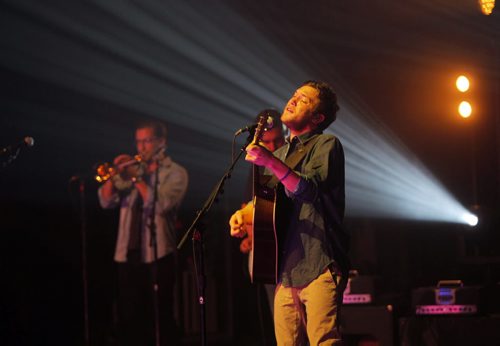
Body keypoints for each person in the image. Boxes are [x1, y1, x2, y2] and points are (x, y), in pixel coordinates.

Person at [229, 81, 349, 345]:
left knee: (325, 342)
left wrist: (269, 161)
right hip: (286, 270)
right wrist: (243, 216)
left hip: (320, 262)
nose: (293, 100)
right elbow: (268, 201)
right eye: (294, 95)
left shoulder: (327, 144)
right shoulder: (282, 153)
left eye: (304, 99)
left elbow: (309, 190)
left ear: (318, 117)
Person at [98, 121, 188, 346]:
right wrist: (112, 176)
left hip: (158, 255)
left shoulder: (176, 172)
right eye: (138, 141)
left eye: (147, 141)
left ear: (161, 142)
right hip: (127, 254)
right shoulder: (132, 171)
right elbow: (106, 201)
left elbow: (162, 205)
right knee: (130, 319)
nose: (141, 147)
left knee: (160, 318)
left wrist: (136, 180)